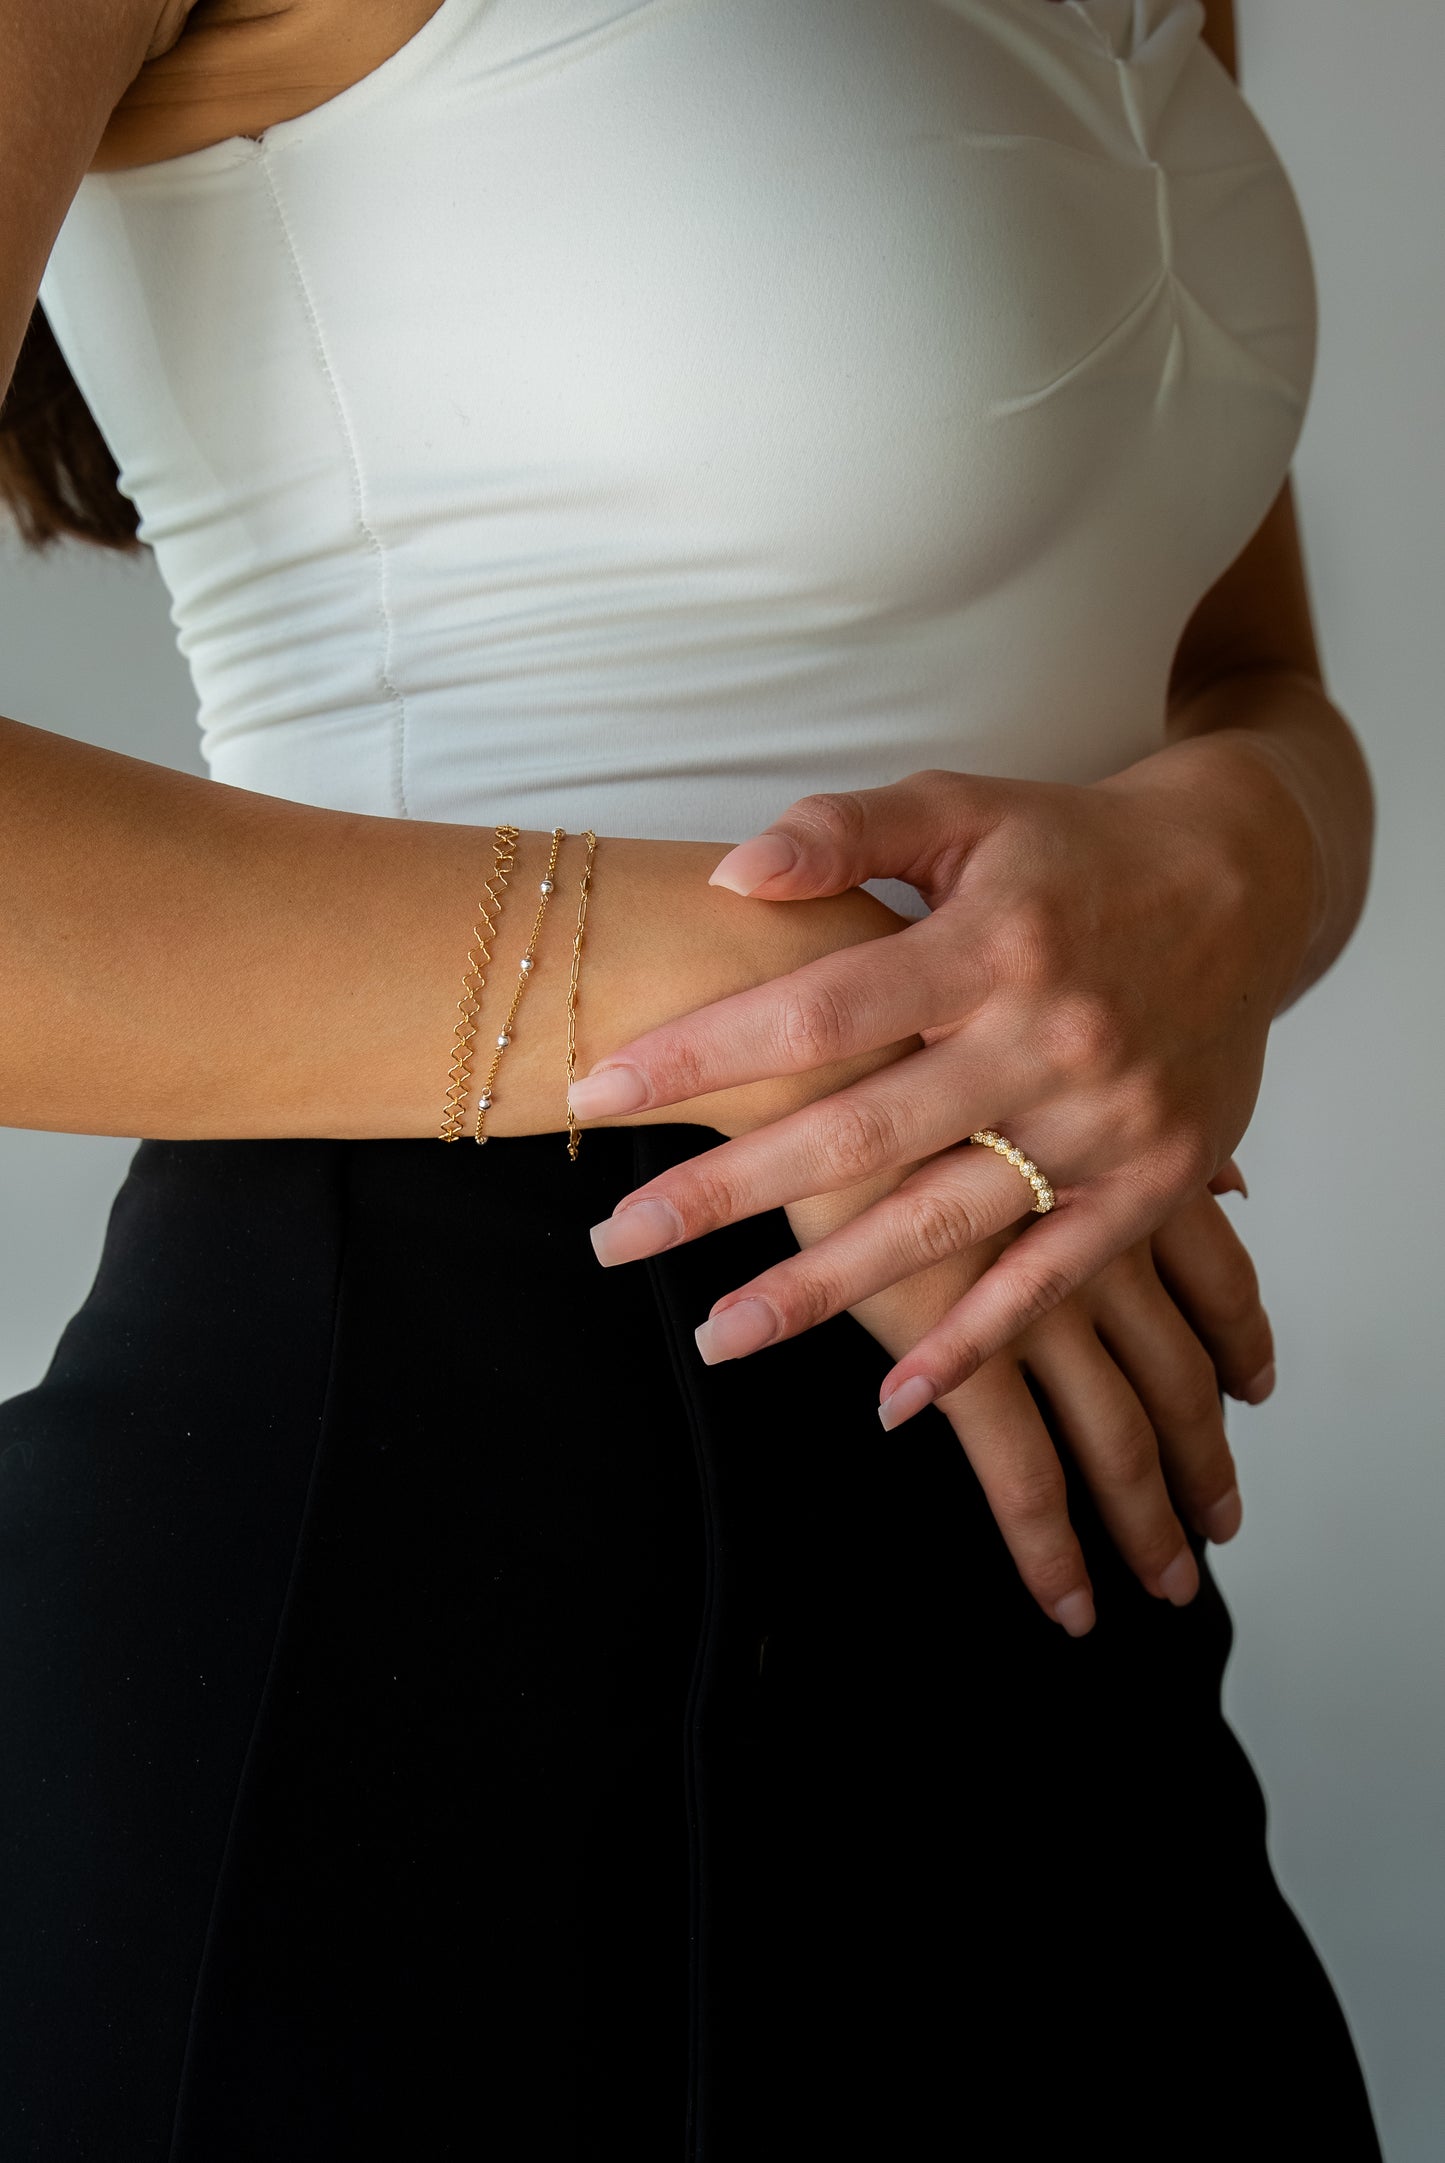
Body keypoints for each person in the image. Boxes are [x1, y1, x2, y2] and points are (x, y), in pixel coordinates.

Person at [0, 0, 1381, 2154]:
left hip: (1048, 1573)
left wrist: (1263, 845)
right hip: (413, 1567)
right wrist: (740, 956)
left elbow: (1232, 666)